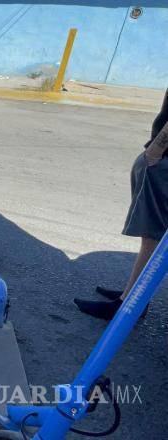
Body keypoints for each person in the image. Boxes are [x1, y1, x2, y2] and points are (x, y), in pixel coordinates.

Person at [74, 89, 168, 320]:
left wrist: (155, 151)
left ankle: (129, 304)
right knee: (153, 236)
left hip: (163, 159)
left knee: (153, 235)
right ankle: (136, 295)